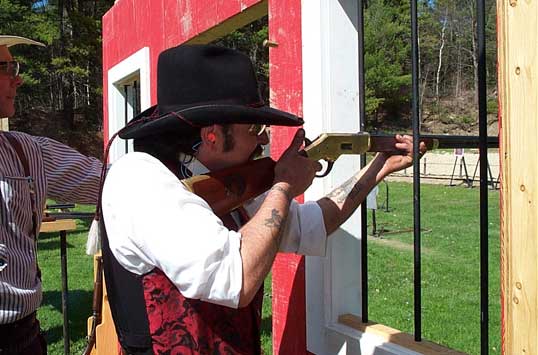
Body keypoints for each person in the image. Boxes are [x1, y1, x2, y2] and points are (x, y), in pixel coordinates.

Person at [100, 44, 425, 355]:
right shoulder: (139, 178)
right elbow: (235, 279)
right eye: (254, 127)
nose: (265, 137)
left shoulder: (223, 181)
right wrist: (283, 186)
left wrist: (379, 168)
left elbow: (310, 224)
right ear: (211, 135)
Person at [0, 35, 102, 354]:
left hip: (20, 339)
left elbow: (114, 182)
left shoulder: (26, 152)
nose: (18, 78)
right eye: (6, 68)